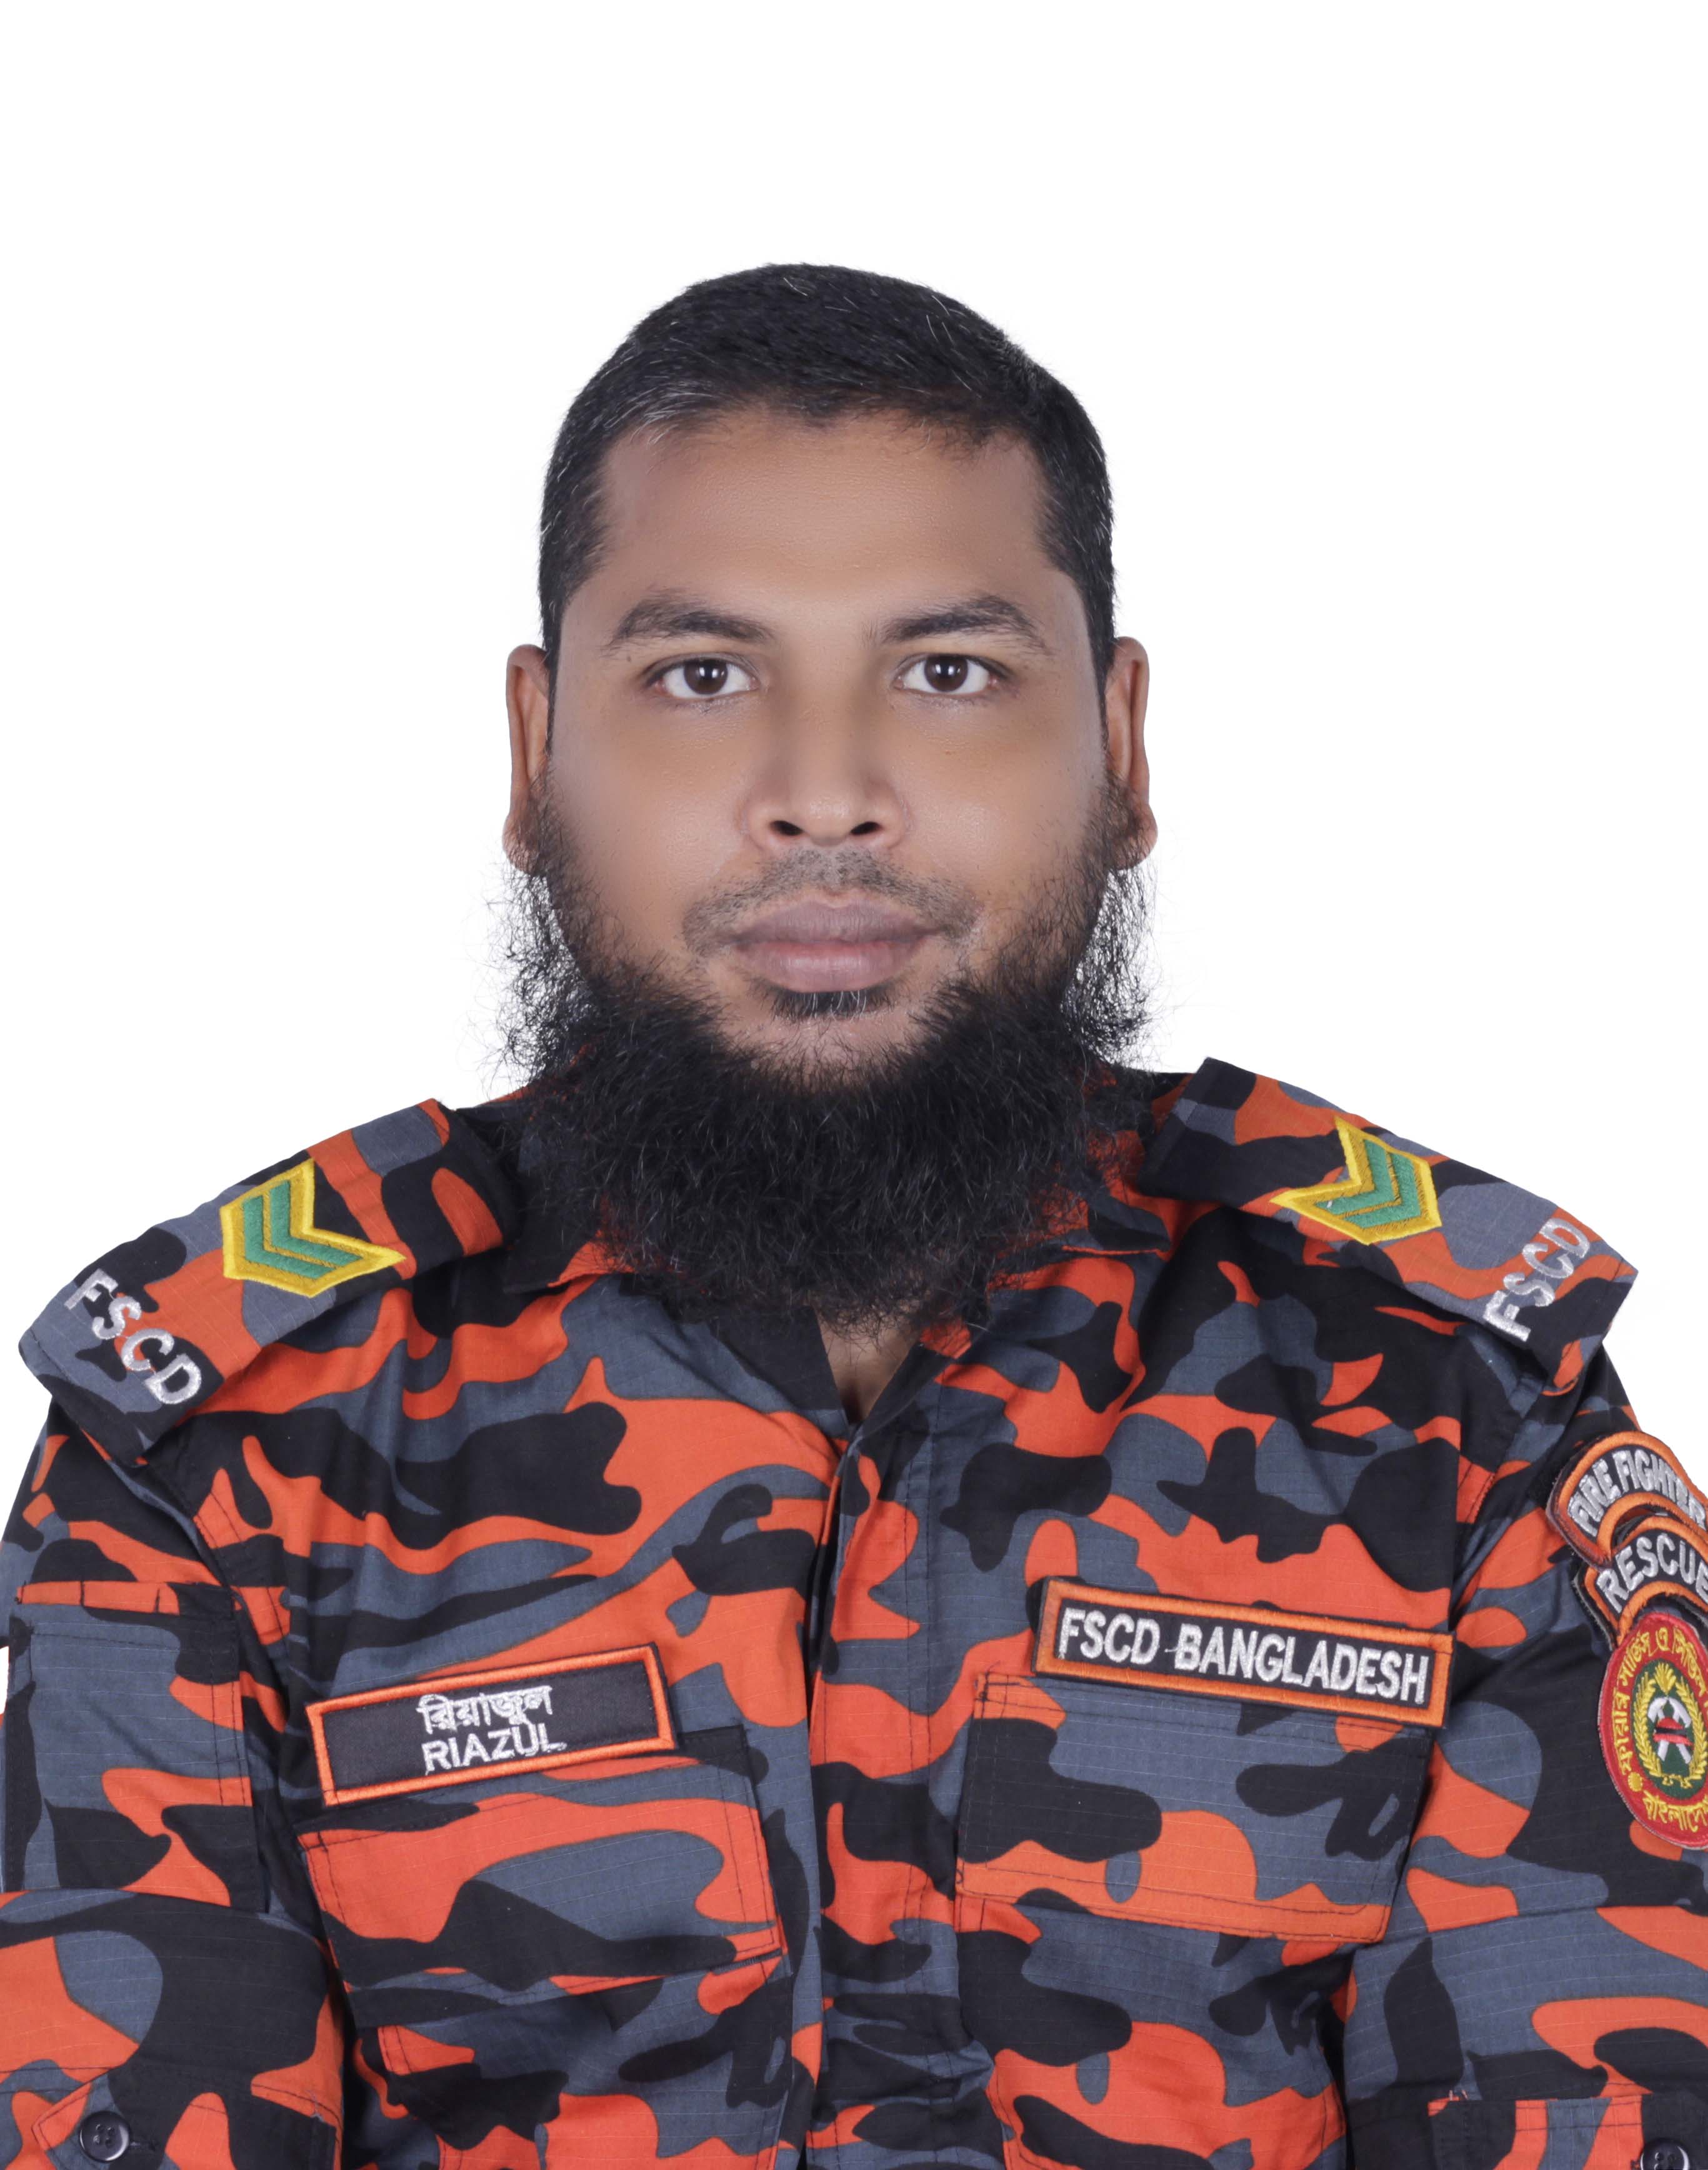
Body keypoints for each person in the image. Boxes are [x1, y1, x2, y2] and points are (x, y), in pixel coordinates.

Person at [1, 263, 1702, 2170]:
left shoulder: (1459, 1411)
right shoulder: (224, 1446)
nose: (826, 797)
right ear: (536, 757)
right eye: (704, 677)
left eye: (948, 672)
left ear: (1123, 747)